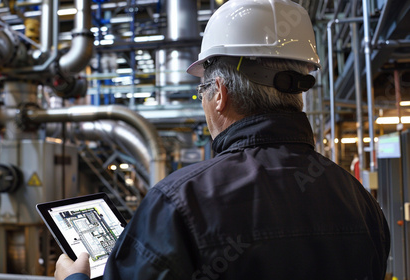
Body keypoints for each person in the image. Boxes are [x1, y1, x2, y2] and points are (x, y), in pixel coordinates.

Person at [55, 0, 390, 279]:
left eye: (202, 91)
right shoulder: (359, 200)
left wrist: (72, 278)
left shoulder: (179, 203)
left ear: (219, 94)